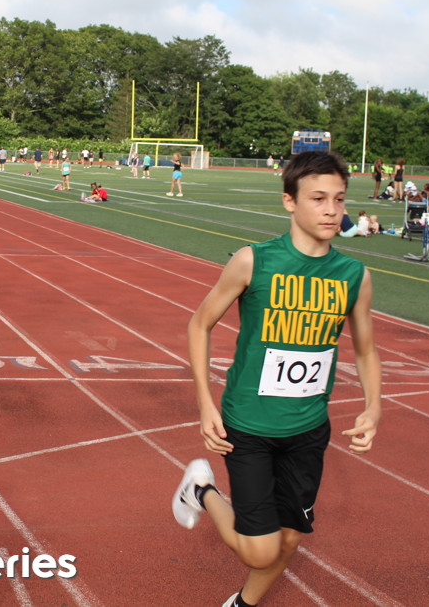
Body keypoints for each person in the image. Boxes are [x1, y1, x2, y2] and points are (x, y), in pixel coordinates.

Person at [175, 150, 381, 607]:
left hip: (308, 430)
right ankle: (201, 490)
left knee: (288, 540)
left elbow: (365, 350)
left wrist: (373, 407)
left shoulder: (354, 276)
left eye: (339, 199)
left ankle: (241, 605)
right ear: (290, 201)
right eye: (318, 198)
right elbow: (199, 324)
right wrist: (206, 403)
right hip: (249, 425)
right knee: (259, 551)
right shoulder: (253, 261)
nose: (331, 210)